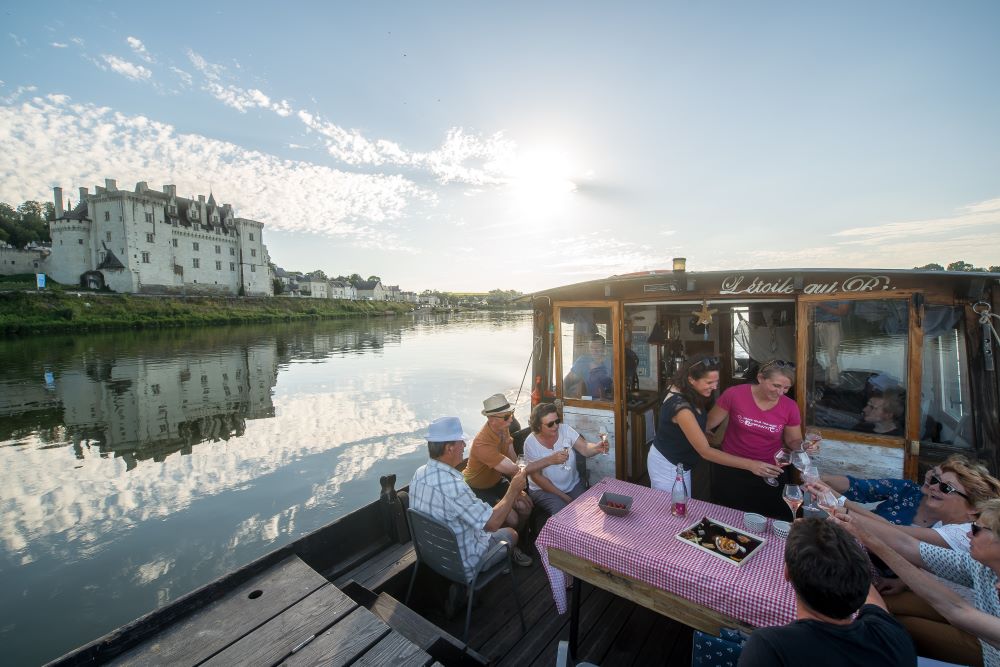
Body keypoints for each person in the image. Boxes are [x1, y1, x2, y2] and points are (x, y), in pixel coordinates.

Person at [833, 499, 1000, 667]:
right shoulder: (980, 566)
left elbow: (957, 611)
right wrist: (865, 536)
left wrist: (854, 564)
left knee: (891, 626)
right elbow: (912, 548)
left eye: (976, 529)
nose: (968, 534)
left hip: (978, 647)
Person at [738, 518, 916, 666]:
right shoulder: (893, 636)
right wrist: (838, 547)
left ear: (787, 573)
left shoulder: (770, 648)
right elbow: (873, 599)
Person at [409, 416, 532, 579]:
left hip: (432, 555)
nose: (464, 446)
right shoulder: (454, 487)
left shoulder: (419, 474)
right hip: (464, 564)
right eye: (461, 442)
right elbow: (492, 524)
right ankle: (487, 573)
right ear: (449, 448)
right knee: (511, 533)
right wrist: (513, 489)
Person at [647, 354, 782, 494]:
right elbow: (705, 452)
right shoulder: (681, 408)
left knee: (682, 504)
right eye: (709, 382)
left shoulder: (689, 391)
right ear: (691, 379)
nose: (715, 386)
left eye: (716, 382)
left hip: (681, 463)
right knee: (672, 509)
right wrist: (752, 465)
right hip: (668, 465)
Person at [706, 359, 814, 518]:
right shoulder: (734, 394)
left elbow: (793, 441)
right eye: (776, 386)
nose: (780, 393)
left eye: (786, 388)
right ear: (760, 378)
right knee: (730, 518)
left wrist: (804, 445)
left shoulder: (790, 406)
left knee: (773, 519)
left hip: (770, 472)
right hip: (734, 469)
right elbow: (707, 424)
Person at [462, 394, 538, 564]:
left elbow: (512, 463)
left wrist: (509, 443)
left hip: (496, 481)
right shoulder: (482, 443)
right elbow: (513, 468)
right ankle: (510, 548)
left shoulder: (502, 427)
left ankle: (515, 540)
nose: (511, 420)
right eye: (506, 417)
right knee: (512, 518)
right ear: (491, 419)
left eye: (511, 414)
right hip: (477, 487)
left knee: (525, 507)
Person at [523, 402, 608, 517]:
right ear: (538, 426)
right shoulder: (530, 443)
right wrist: (564, 497)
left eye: (557, 421)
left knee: (591, 511)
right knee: (563, 513)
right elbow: (536, 477)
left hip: (572, 485)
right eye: (550, 424)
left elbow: (585, 448)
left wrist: (597, 448)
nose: (556, 426)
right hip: (543, 490)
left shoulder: (565, 430)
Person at [567, 334, 613, 400]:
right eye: (592, 347)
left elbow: (615, 387)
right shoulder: (582, 361)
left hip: (605, 404)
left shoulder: (611, 363)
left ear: (604, 347)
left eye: (598, 347)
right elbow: (567, 381)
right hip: (583, 402)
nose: (595, 351)